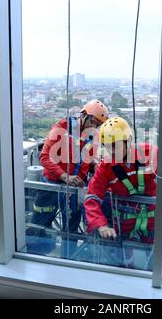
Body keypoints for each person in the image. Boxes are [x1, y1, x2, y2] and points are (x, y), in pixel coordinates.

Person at [83, 116, 162, 268]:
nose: (111, 151)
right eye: (107, 146)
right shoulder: (106, 167)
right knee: (125, 263)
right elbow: (92, 198)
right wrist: (101, 225)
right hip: (124, 224)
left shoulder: (152, 154)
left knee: (156, 263)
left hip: (153, 223)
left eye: (115, 145)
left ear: (129, 140)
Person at [28, 99, 109, 258]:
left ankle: (68, 259)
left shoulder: (94, 136)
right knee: (40, 223)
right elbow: (45, 157)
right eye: (93, 121)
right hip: (52, 185)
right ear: (83, 115)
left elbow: (87, 157)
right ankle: (33, 258)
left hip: (74, 188)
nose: (94, 126)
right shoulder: (62, 127)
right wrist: (65, 176)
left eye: (98, 124)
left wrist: (94, 164)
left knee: (71, 228)